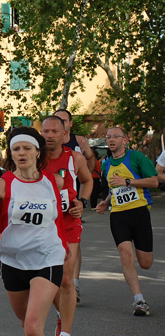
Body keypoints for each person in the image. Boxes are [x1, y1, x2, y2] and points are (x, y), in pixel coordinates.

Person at [0, 127, 68, 336]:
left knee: (33, 328)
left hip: (47, 257)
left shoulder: (55, 182)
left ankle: (60, 319)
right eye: (16, 149)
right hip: (12, 260)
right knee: (26, 323)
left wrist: (77, 206)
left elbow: (68, 209)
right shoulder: (1, 184)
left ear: (37, 152)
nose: (21, 153)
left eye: (27, 148)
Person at [96, 126, 158, 316]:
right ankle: (139, 300)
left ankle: (139, 295)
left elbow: (154, 182)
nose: (111, 139)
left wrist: (129, 182)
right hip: (118, 215)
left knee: (145, 262)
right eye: (108, 137)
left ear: (125, 139)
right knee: (125, 255)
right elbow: (112, 189)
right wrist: (106, 202)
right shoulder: (106, 163)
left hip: (139, 212)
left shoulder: (136, 158)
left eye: (116, 136)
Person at [42, 116, 92, 336]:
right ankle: (63, 312)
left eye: (54, 131)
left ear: (64, 134)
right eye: (46, 131)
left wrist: (82, 202)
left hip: (69, 223)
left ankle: (65, 332)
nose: (49, 136)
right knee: (47, 278)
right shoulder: (35, 157)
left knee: (65, 279)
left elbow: (88, 181)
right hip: (42, 225)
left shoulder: (75, 158)